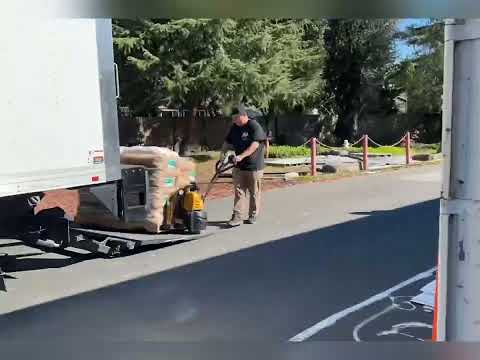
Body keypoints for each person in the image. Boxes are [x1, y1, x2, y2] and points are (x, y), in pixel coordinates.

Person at [221, 103, 266, 227]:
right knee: (238, 192)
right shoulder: (234, 127)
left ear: (243, 115)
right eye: (232, 119)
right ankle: (237, 217)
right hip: (238, 167)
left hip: (254, 166)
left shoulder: (254, 126)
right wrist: (222, 154)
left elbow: (255, 145)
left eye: (236, 118)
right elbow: (227, 142)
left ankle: (253, 215)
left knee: (254, 192)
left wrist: (241, 156)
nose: (234, 121)